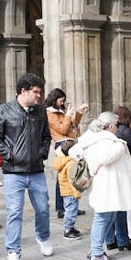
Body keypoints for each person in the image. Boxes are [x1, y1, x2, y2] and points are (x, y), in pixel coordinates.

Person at [0, 73, 53, 260]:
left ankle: (42, 237)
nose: (39, 96)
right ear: (23, 91)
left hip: (36, 170)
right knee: (14, 212)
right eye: (36, 92)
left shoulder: (40, 111)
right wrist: (9, 155)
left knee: (43, 209)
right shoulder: (4, 111)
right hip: (13, 172)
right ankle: (13, 252)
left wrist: (42, 152)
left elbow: (46, 136)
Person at [76, 112, 131, 260]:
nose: (117, 128)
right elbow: (105, 157)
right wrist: (120, 145)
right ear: (110, 126)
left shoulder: (93, 137)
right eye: (116, 125)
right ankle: (96, 252)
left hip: (107, 184)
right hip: (105, 184)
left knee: (108, 217)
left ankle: (95, 249)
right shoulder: (105, 140)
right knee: (102, 218)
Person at [46, 88, 88, 219]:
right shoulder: (50, 113)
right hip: (62, 144)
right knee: (63, 177)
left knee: (73, 175)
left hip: (71, 143)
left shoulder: (61, 110)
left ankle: (72, 206)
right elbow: (63, 129)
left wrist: (79, 112)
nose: (62, 102)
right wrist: (68, 115)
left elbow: (72, 124)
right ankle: (61, 207)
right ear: (54, 99)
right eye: (60, 100)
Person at [108, 106, 131, 252]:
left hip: (111, 172)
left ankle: (110, 240)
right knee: (120, 208)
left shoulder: (110, 132)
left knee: (111, 207)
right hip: (122, 172)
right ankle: (123, 240)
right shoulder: (124, 131)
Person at [51, 139, 83, 239]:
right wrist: (77, 193)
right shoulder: (70, 163)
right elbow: (72, 181)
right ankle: (68, 230)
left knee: (69, 209)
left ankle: (70, 227)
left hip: (65, 190)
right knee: (71, 211)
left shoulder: (62, 160)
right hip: (70, 192)